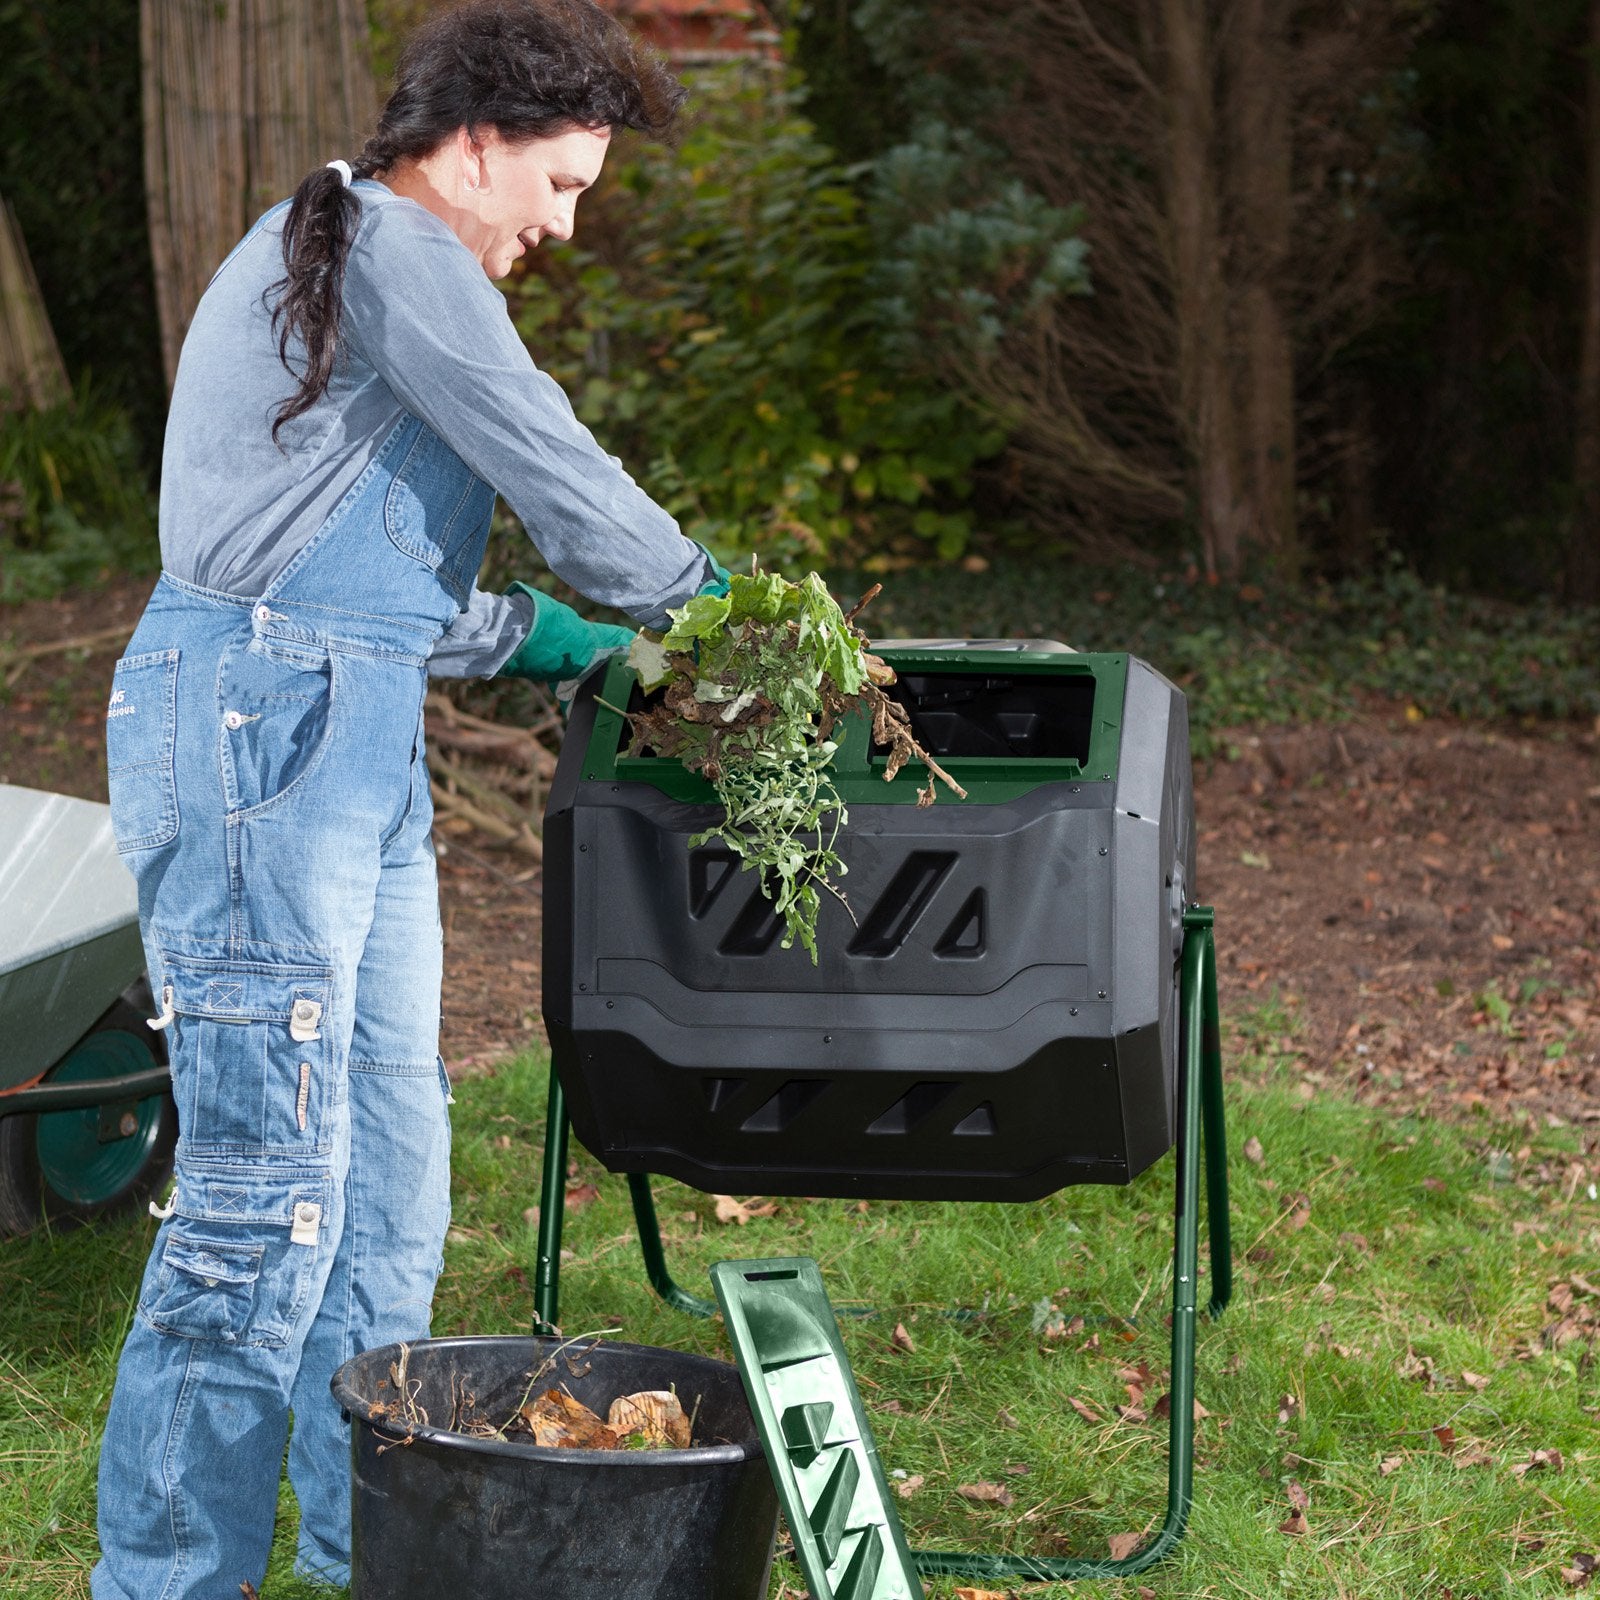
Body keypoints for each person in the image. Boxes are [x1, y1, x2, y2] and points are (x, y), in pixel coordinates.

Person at [92, 4, 725, 1596]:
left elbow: (346, 574)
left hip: (338, 722)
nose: (563, 226)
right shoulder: (391, 243)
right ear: (475, 145)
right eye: (561, 184)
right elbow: (540, 446)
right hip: (261, 733)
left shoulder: (356, 257)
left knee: (386, 1191)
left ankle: (362, 1555)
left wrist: (546, 638)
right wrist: (700, 606)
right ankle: (166, 1579)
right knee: (264, 1207)